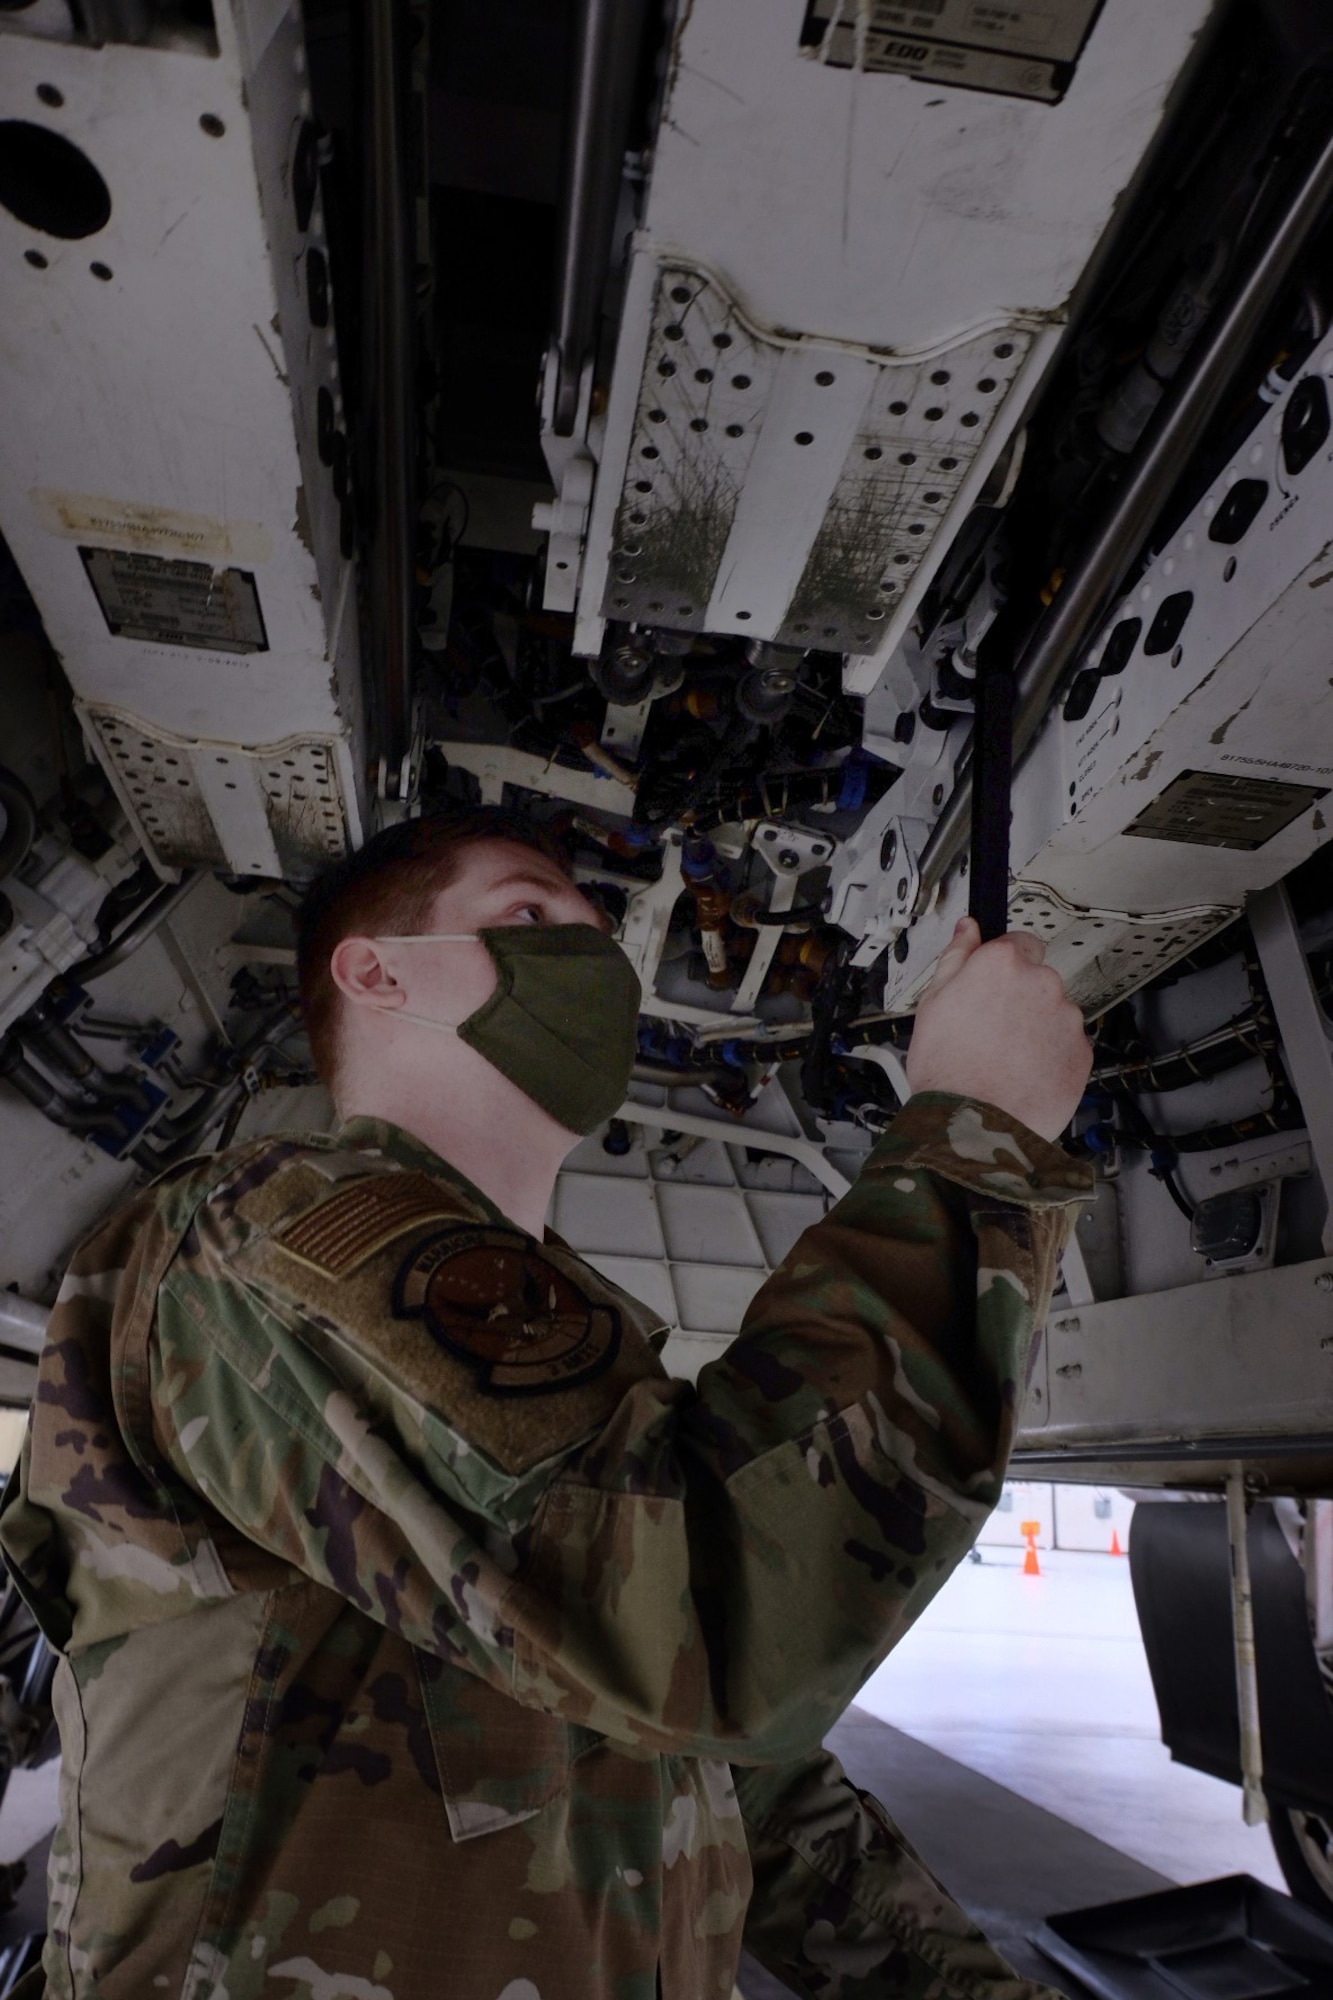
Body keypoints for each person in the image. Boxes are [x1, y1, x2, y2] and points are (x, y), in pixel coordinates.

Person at [0, 806, 1094, 2000]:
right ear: (374, 971)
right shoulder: (267, 1235)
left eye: (596, 934)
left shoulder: (564, 1373)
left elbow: (733, 1768)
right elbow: (720, 1608)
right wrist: (975, 1130)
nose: (591, 961)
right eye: (529, 914)